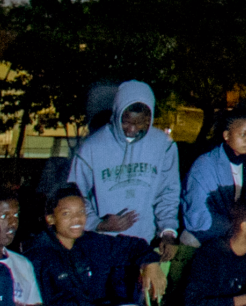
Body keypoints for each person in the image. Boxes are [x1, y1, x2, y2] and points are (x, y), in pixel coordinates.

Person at [19, 184, 151, 306]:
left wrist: (150, 264)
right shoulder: (38, 255)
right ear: (50, 219)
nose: (76, 219)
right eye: (67, 214)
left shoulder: (91, 242)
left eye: (81, 212)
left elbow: (135, 245)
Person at [66, 79, 181, 245]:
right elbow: (75, 193)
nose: (132, 129)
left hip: (144, 243)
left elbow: (168, 192)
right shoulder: (91, 148)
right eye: (126, 121)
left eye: (139, 123)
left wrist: (168, 231)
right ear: (116, 113)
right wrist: (99, 224)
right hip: (102, 242)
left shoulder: (164, 146)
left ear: (150, 118)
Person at [182, 111, 246, 245]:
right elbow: (197, 213)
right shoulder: (205, 164)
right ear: (226, 135)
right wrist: (232, 230)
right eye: (243, 134)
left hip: (237, 235)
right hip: (206, 234)